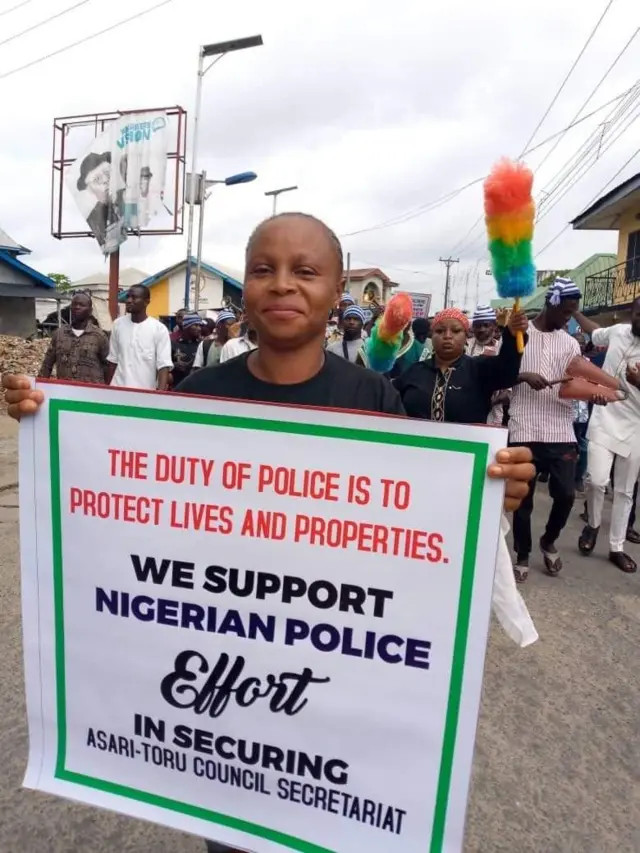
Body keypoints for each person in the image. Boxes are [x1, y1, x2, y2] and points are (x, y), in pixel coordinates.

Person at [3, 212, 535, 853]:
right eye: (264, 269)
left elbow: (410, 539)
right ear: (245, 290)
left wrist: (487, 494)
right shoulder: (199, 393)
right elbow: (138, 509)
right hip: (221, 691)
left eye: (305, 271)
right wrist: (47, 427)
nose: (283, 284)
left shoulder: (374, 400)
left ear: (337, 293)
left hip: (323, 687)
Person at [507, 278, 586, 582]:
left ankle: (548, 540)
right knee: (522, 500)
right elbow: (499, 373)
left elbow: (576, 382)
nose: (569, 318)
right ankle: (523, 554)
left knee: (566, 495)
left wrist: (590, 391)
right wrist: (523, 375)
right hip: (524, 426)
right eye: (566, 312)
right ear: (551, 303)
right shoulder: (519, 334)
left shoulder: (570, 343)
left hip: (560, 429)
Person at [573, 297, 640, 572]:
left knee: (625, 491)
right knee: (597, 480)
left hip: (635, 425)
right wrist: (574, 310)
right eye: (638, 313)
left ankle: (616, 547)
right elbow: (593, 330)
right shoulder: (618, 331)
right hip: (604, 416)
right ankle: (593, 524)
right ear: (632, 313)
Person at [394, 306, 525, 424]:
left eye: (456, 331)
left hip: (468, 448)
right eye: (439, 331)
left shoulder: (479, 369)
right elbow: (388, 398)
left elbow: (508, 372)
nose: (447, 336)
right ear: (431, 335)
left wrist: (512, 337)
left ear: (466, 335)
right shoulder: (415, 372)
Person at [106, 284, 173, 390]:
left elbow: (163, 366)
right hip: (118, 389)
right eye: (128, 296)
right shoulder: (118, 324)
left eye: (134, 297)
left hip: (145, 393)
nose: (128, 300)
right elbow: (113, 361)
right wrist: (107, 389)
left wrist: (160, 395)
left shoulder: (159, 329)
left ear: (146, 302)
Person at [38, 292, 109, 385]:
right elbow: (47, 365)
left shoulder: (99, 336)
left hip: (91, 393)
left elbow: (108, 366)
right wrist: (40, 386)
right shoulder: (59, 334)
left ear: (90, 310)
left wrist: (106, 391)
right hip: (65, 391)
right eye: (74, 304)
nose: (77, 307)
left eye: (82, 305)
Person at [171, 312, 204, 386]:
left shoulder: (201, 345)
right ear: (187, 326)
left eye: (200, 326)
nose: (199, 328)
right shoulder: (173, 345)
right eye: (196, 325)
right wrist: (175, 366)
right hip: (177, 388)